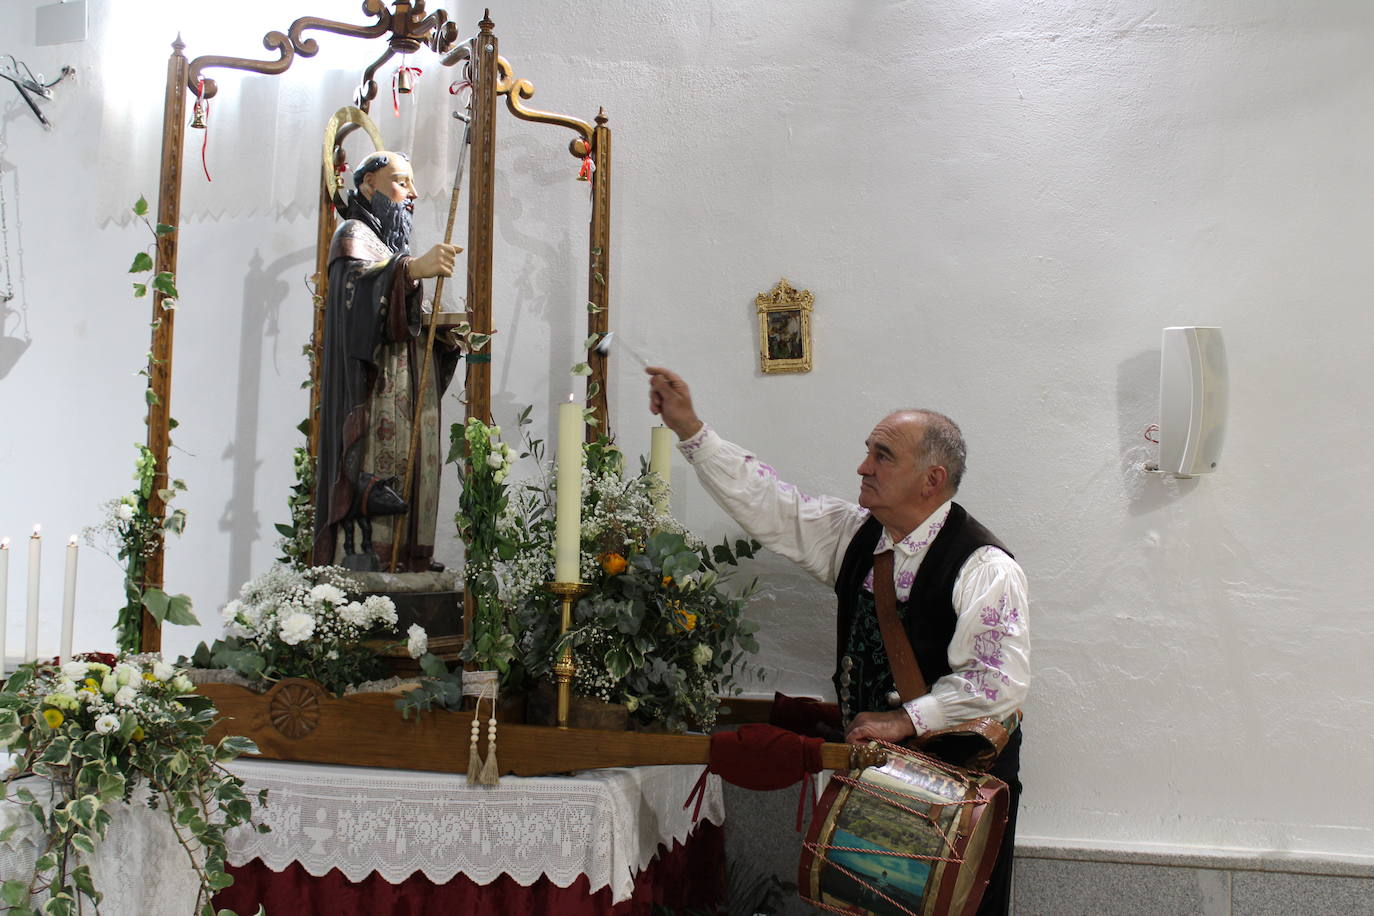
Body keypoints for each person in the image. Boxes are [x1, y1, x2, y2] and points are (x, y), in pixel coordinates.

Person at [645, 366, 1029, 916]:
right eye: (868, 451)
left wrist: (902, 721)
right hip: (877, 790)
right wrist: (692, 431)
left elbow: (997, 684)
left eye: (882, 455)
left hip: (958, 803)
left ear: (932, 479)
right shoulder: (855, 537)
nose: (863, 466)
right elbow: (772, 505)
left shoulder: (986, 568)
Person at [312, 151, 463, 571]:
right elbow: (356, 300)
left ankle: (414, 556)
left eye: (411, 184)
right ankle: (374, 557)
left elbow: (403, 314)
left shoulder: (389, 246)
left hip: (410, 383)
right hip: (378, 389)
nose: (411, 193)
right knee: (385, 467)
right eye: (400, 182)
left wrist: (442, 340)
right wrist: (410, 270)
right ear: (367, 185)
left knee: (421, 469)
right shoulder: (352, 236)